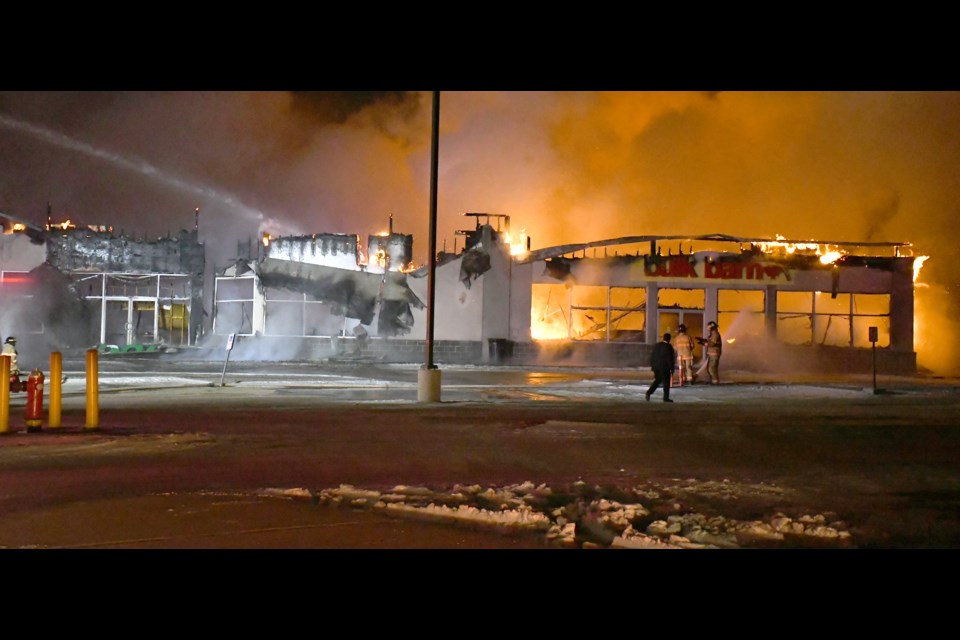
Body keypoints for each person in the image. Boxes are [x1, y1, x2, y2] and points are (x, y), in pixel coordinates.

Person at [646, 332, 676, 403]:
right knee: (666, 383)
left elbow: (652, 356)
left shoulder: (657, 345)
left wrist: (653, 366)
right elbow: (670, 359)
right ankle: (666, 398)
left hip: (656, 367)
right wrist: (671, 368)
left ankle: (649, 392)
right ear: (669, 339)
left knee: (657, 381)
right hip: (665, 368)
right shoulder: (669, 347)